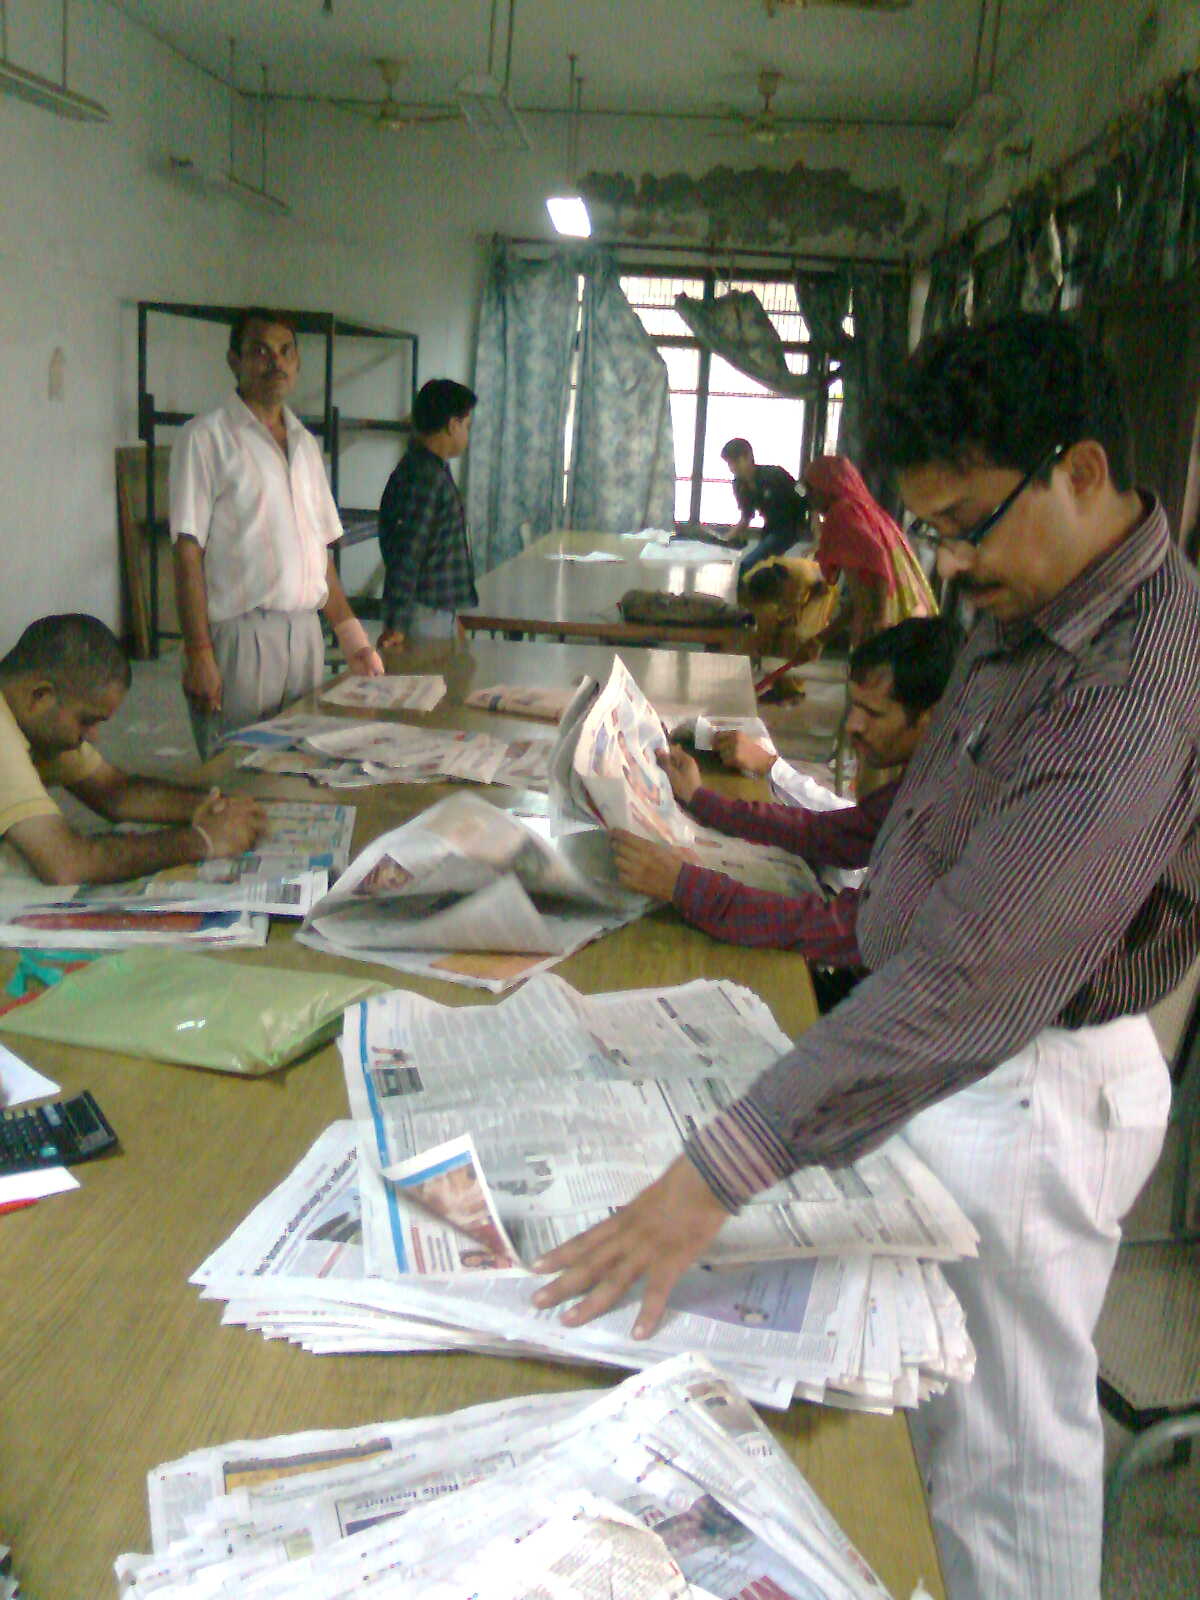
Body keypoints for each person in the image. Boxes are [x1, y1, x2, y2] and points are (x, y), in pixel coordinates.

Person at [532, 313, 1193, 1600]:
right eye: (929, 526)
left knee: (1002, 1458)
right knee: (940, 1421)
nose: (943, 561)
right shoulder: (1033, 602)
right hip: (957, 1059)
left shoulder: (1135, 679)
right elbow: (906, 832)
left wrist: (718, 1169)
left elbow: (973, 974)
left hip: (1029, 1078)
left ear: (1084, 469)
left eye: (964, 523)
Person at [611, 617, 961, 974]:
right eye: (853, 705)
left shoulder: (951, 808)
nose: (853, 725)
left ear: (930, 719)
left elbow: (845, 929)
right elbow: (830, 835)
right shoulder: (925, 776)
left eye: (873, 712)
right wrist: (702, 800)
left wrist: (685, 887)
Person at [170, 307, 383, 758]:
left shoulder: (306, 445)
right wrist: (199, 652)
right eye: (260, 351)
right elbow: (187, 553)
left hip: (305, 634)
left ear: (298, 361)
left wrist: (353, 640)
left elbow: (320, 554)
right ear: (235, 361)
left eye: (286, 351)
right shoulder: (205, 438)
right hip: (243, 636)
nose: (275, 363)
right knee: (238, 768)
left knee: (300, 763)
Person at [0, 614, 265, 885]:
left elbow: (115, 792)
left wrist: (214, 807)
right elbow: (67, 863)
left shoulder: (34, 719)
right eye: (86, 720)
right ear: (39, 696)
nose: (94, 737)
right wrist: (203, 840)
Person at [376, 379, 479, 650]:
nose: (467, 434)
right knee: (430, 688)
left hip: (435, 610)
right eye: (466, 426)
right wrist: (396, 625)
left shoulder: (431, 470)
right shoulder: (424, 477)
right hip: (421, 613)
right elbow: (407, 555)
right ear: (451, 425)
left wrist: (451, 615)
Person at [803, 453, 936, 646]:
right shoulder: (867, 511)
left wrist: (879, 618)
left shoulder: (843, 513)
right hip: (909, 617)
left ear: (826, 487)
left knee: (872, 674)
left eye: (811, 488)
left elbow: (877, 559)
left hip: (886, 624)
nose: (809, 497)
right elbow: (862, 596)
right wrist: (821, 640)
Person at [719, 438, 808, 578]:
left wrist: (814, 521)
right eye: (729, 463)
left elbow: (803, 493)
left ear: (749, 457)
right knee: (765, 568)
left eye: (736, 461)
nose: (733, 467)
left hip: (792, 526)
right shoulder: (739, 485)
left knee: (748, 564)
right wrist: (724, 539)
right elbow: (746, 517)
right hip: (770, 528)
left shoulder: (775, 474)